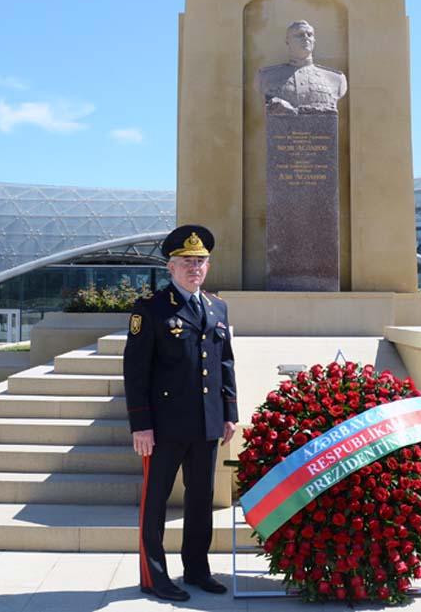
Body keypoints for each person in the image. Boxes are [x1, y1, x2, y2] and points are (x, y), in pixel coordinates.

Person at [123, 224, 238, 602]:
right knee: (155, 500)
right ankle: (155, 576)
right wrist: (141, 425)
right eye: (187, 261)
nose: (195, 268)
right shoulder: (151, 309)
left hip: (206, 423)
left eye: (201, 261)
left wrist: (229, 413)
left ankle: (196, 569)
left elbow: (225, 365)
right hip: (165, 425)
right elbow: (136, 371)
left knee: (201, 498)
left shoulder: (217, 307)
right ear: (170, 267)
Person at [255, 19, 347, 115]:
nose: (306, 38)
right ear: (288, 41)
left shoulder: (336, 79)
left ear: (314, 41)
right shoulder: (266, 76)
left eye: (310, 35)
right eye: (300, 35)